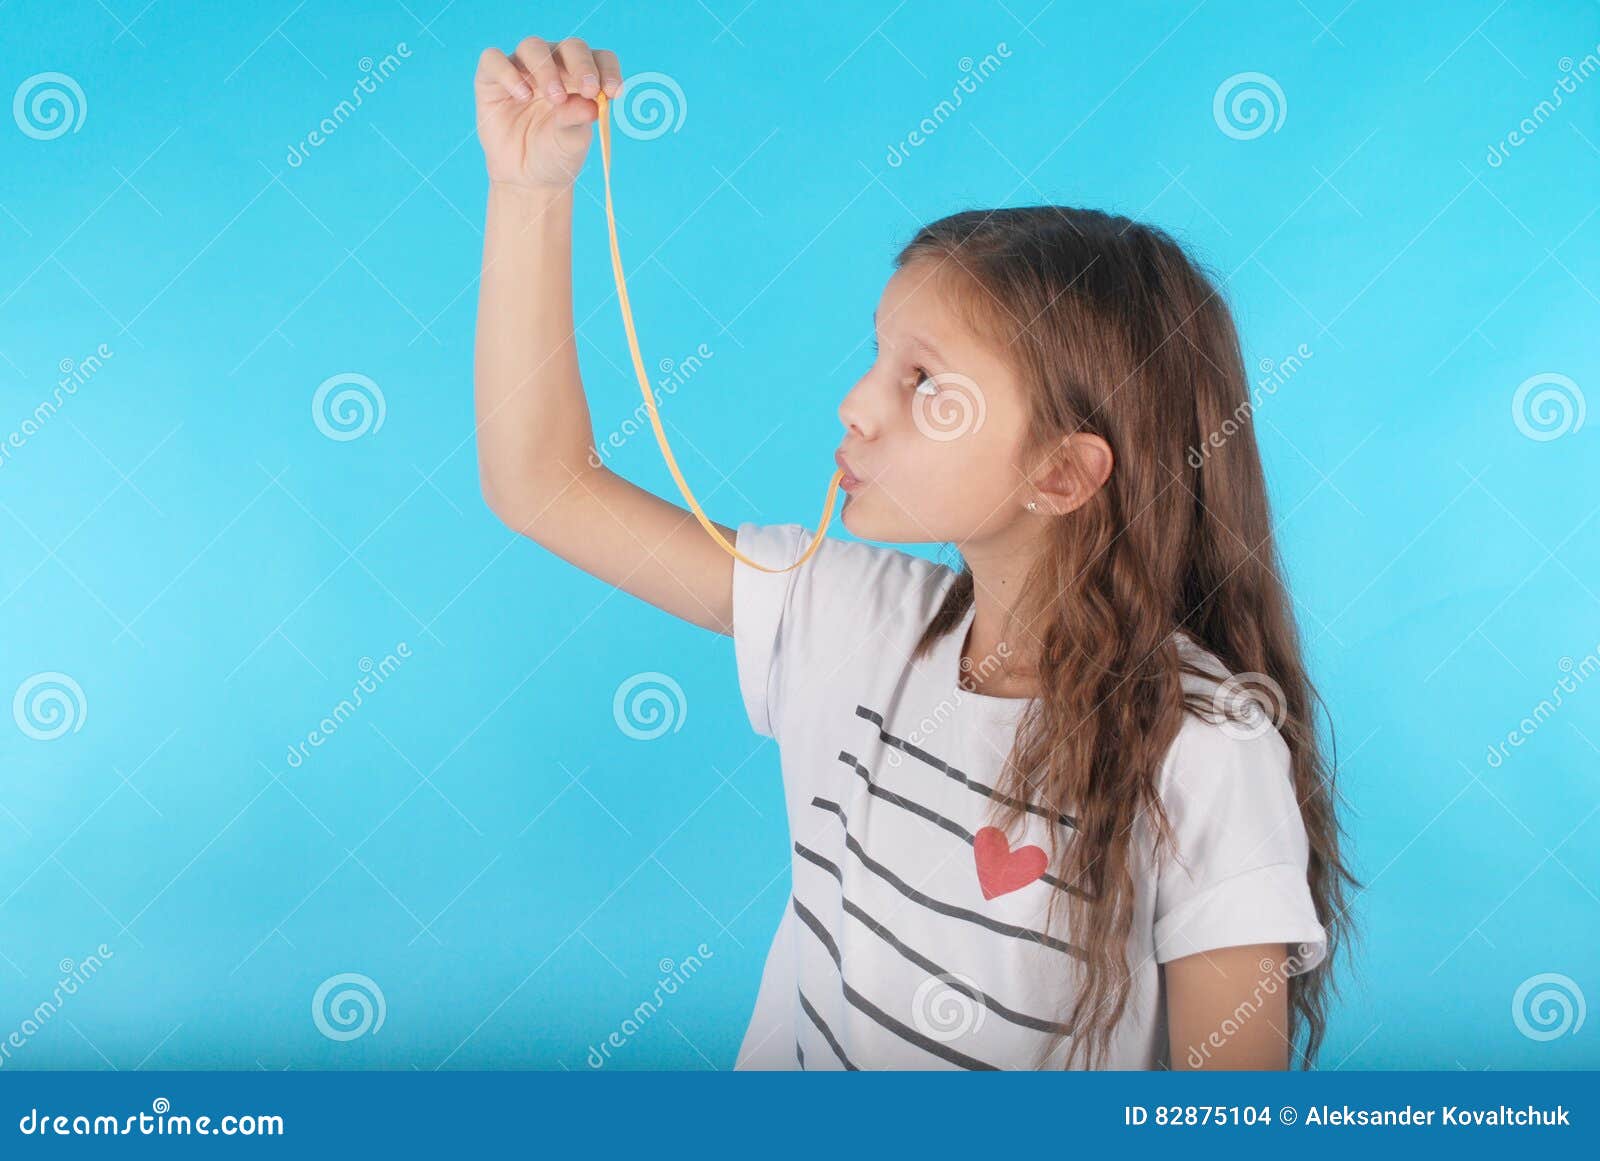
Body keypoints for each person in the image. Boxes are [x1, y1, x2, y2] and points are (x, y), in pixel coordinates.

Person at [471, 35, 1358, 1070]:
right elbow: (543, 485)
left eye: (924, 380)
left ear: (1062, 476)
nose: (856, 402)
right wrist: (530, 190)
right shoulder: (841, 617)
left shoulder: (1206, 750)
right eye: (878, 355)